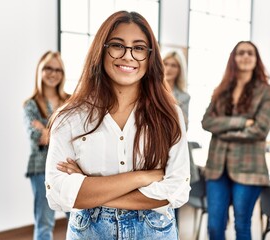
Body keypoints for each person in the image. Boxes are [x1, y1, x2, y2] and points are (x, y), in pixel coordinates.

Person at [45, 11, 190, 240]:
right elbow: (59, 193)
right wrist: (142, 177)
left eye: (139, 47)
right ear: (101, 51)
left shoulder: (169, 115)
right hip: (89, 231)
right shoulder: (69, 116)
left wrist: (90, 188)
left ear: (150, 56)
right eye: (117, 45)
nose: (128, 56)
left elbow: (177, 190)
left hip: (154, 231)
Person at [201, 41, 270, 240]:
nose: (245, 56)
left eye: (250, 53)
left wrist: (222, 130)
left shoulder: (267, 92)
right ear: (233, 58)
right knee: (214, 226)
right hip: (217, 167)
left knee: (242, 225)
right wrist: (241, 122)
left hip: (249, 169)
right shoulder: (222, 90)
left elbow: (259, 130)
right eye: (240, 52)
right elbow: (207, 122)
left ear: (256, 59)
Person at [23, 51, 70, 240]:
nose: (53, 73)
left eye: (58, 69)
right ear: (40, 71)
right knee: (44, 222)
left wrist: (47, 129)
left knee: (77, 217)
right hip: (40, 167)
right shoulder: (31, 104)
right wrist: (56, 133)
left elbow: (77, 134)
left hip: (68, 167)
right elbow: (36, 137)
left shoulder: (70, 100)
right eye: (48, 68)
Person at [162, 50, 200, 224]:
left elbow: (183, 128)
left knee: (172, 204)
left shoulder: (184, 96)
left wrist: (170, 99)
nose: (169, 68)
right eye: (166, 63)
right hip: (154, 153)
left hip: (174, 155)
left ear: (179, 70)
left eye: (174, 65)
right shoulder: (148, 90)